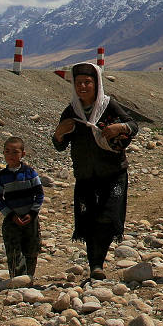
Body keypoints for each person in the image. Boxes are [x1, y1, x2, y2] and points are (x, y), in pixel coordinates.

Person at [52, 61, 138, 280]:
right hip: (86, 175)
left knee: (109, 216)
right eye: (78, 82)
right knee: (88, 219)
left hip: (114, 172)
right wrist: (59, 134)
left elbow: (133, 125)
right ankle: (95, 265)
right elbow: (60, 145)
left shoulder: (109, 106)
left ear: (97, 83)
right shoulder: (71, 111)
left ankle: (99, 259)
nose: (82, 87)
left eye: (87, 82)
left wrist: (120, 127)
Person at [0, 136, 44, 280]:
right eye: (7, 152)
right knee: (13, 250)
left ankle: (29, 278)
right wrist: (10, 215)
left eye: (15, 152)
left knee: (32, 248)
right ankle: (17, 279)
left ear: (23, 154)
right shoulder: (2, 176)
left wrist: (33, 213)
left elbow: (39, 194)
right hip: (12, 220)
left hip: (30, 219)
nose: (11, 155)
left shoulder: (30, 173)